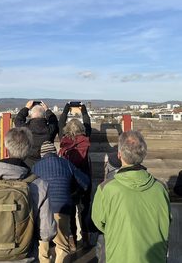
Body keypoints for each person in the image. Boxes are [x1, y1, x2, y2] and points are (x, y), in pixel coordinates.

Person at [0, 127, 56, 263]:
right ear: (29, 150)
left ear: (6, 149)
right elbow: (47, 232)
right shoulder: (39, 185)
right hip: (25, 257)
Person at [92, 130, 171, 263]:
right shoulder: (161, 188)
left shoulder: (106, 189)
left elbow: (99, 222)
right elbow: (167, 220)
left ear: (119, 154)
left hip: (119, 257)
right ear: (143, 154)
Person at [32, 141, 90, 263]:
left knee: (43, 248)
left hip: (43, 211)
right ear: (55, 153)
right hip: (62, 208)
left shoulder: (36, 167)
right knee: (62, 246)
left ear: (42, 154)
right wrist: (74, 194)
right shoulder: (66, 163)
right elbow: (85, 182)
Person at [58, 102, 92, 250]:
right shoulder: (86, 139)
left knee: (71, 211)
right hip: (85, 179)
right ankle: (85, 239)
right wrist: (83, 108)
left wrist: (67, 106)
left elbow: (60, 122)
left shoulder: (64, 140)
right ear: (81, 129)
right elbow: (87, 121)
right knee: (84, 209)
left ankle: (72, 241)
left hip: (69, 181)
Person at [14, 100, 59, 167]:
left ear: (31, 115)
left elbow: (18, 120)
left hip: (27, 163)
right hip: (46, 164)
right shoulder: (50, 129)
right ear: (44, 115)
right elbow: (54, 121)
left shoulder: (25, 129)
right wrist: (47, 110)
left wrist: (26, 108)